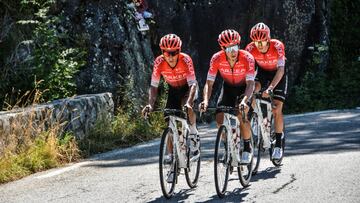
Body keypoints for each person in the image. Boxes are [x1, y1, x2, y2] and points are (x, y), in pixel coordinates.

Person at [142, 34, 199, 182]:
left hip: (188, 88)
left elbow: (193, 83)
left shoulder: (185, 59)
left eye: (174, 52)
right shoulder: (159, 62)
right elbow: (154, 86)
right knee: (169, 123)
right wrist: (150, 104)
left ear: (179, 51)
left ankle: (192, 132)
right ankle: (172, 159)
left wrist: (188, 102)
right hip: (173, 90)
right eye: (167, 53)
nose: (171, 56)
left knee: (188, 107)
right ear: (162, 52)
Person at [199, 29, 255, 164]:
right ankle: (227, 148)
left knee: (242, 115)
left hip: (245, 88)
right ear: (222, 48)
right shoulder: (216, 58)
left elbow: (251, 84)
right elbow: (209, 83)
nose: (233, 52)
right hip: (228, 87)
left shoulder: (247, 57)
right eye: (229, 49)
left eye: (235, 47)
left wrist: (244, 101)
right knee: (219, 118)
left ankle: (247, 148)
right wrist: (205, 100)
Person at [245, 22, 287, 160]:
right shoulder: (250, 48)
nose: (259, 45)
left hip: (277, 74)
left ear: (268, 39)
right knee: (253, 90)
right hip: (262, 72)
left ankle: (279, 144)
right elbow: (248, 73)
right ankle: (254, 117)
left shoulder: (277, 45)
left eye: (262, 42)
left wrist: (270, 88)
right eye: (256, 42)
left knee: (276, 109)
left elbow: (281, 70)